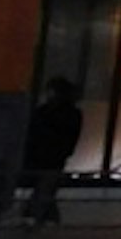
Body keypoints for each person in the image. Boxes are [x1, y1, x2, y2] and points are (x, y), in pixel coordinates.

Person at [18, 76, 84, 229]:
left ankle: (35, 216)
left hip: (45, 154)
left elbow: (33, 132)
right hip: (54, 155)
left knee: (44, 186)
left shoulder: (45, 111)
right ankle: (46, 216)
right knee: (47, 186)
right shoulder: (71, 113)